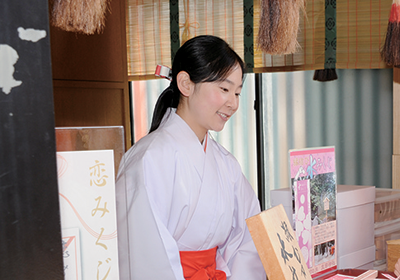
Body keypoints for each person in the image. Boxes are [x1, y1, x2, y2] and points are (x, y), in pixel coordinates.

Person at [116, 35, 266, 280]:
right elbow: (144, 255)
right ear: (185, 84)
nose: (233, 103)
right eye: (224, 89)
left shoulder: (226, 163)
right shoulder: (148, 158)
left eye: (237, 93)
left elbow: (248, 238)